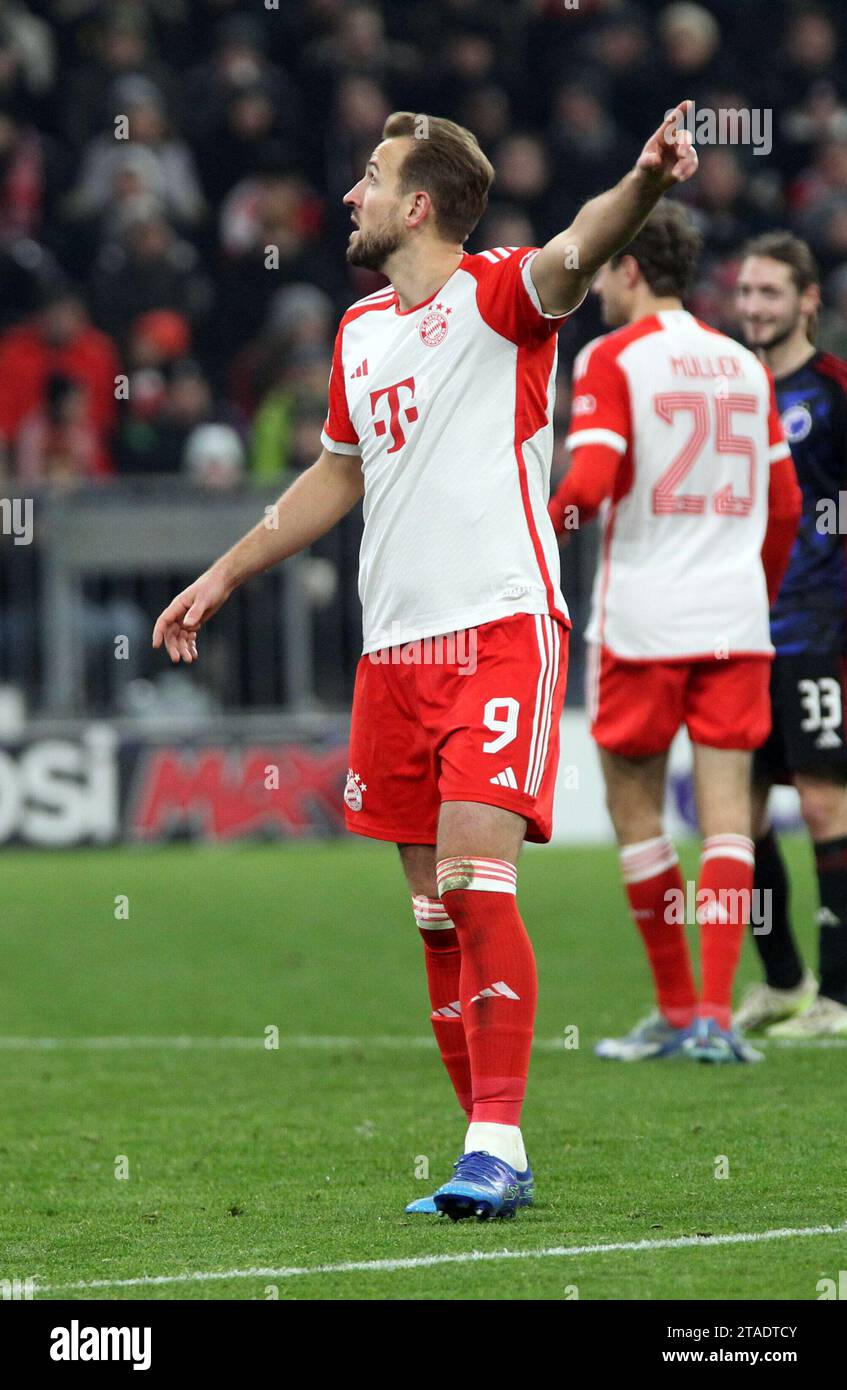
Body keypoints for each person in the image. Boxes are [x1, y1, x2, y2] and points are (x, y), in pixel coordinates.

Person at [154, 105, 698, 1219]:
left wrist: (644, 180)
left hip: (499, 628)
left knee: (472, 878)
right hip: (392, 652)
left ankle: (494, 1143)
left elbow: (583, 244)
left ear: (417, 205)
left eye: (368, 177)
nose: (347, 195)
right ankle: (486, 1144)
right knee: (434, 919)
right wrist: (225, 571)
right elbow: (335, 474)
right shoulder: (357, 333)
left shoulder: (499, 298)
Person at [548, 202, 802, 1064]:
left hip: (644, 620)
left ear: (627, 269)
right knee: (729, 817)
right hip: (734, 621)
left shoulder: (611, 357)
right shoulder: (742, 363)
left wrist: (545, 526)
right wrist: (753, 591)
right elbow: (789, 506)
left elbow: (591, 476)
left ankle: (673, 1007)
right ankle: (717, 1022)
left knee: (636, 809)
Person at [734, 232, 847, 1038]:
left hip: (815, 625)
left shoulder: (833, 390)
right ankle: (781, 980)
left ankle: (838, 998)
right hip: (736, 631)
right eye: (745, 292)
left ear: (806, 299)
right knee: (735, 813)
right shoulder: (729, 388)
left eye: (769, 293)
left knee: (820, 802)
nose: (753, 307)